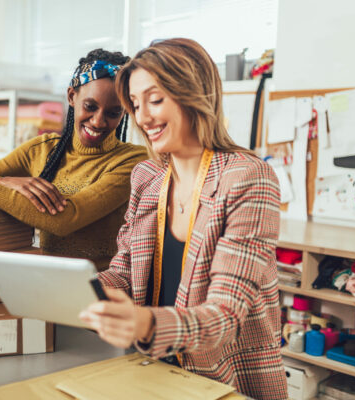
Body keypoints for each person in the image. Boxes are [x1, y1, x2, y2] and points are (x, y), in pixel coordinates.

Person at [79, 39, 287, 399]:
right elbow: (124, 272)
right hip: (152, 371)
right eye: (136, 104)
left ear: (194, 93)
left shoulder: (247, 177)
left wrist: (143, 324)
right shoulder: (147, 177)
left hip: (224, 380)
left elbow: (225, 316)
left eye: (155, 100)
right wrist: (81, 288)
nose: (143, 118)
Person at [0, 49, 147, 270]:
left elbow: (66, 219)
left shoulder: (132, 161)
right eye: (90, 106)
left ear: (124, 111)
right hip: (43, 282)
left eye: (113, 113)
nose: (98, 121)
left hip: (101, 290)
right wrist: (3, 181)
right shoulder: (41, 150)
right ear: (71, 96)